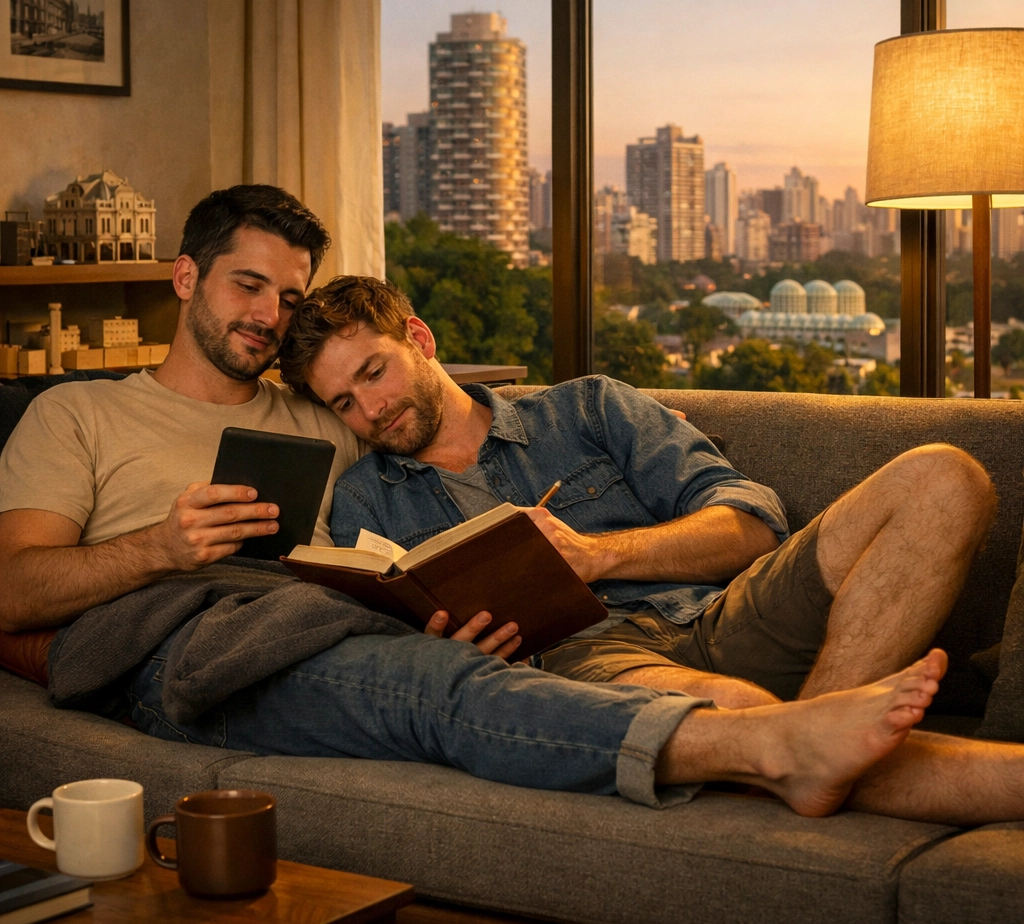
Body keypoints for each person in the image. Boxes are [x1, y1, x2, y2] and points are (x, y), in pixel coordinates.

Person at [275, 274, 1024, 825]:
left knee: (943, 477)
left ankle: (812, 745)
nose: (370, 409)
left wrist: (603, 556)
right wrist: (449, 646)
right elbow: (399, 661)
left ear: (418, 340)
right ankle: (810, 744)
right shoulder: (365, 500)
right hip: (589, 660)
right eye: (344, 401)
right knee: (735, 708)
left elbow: (752, 524)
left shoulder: (589, 408)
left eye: (373, 372)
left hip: (720, 612)